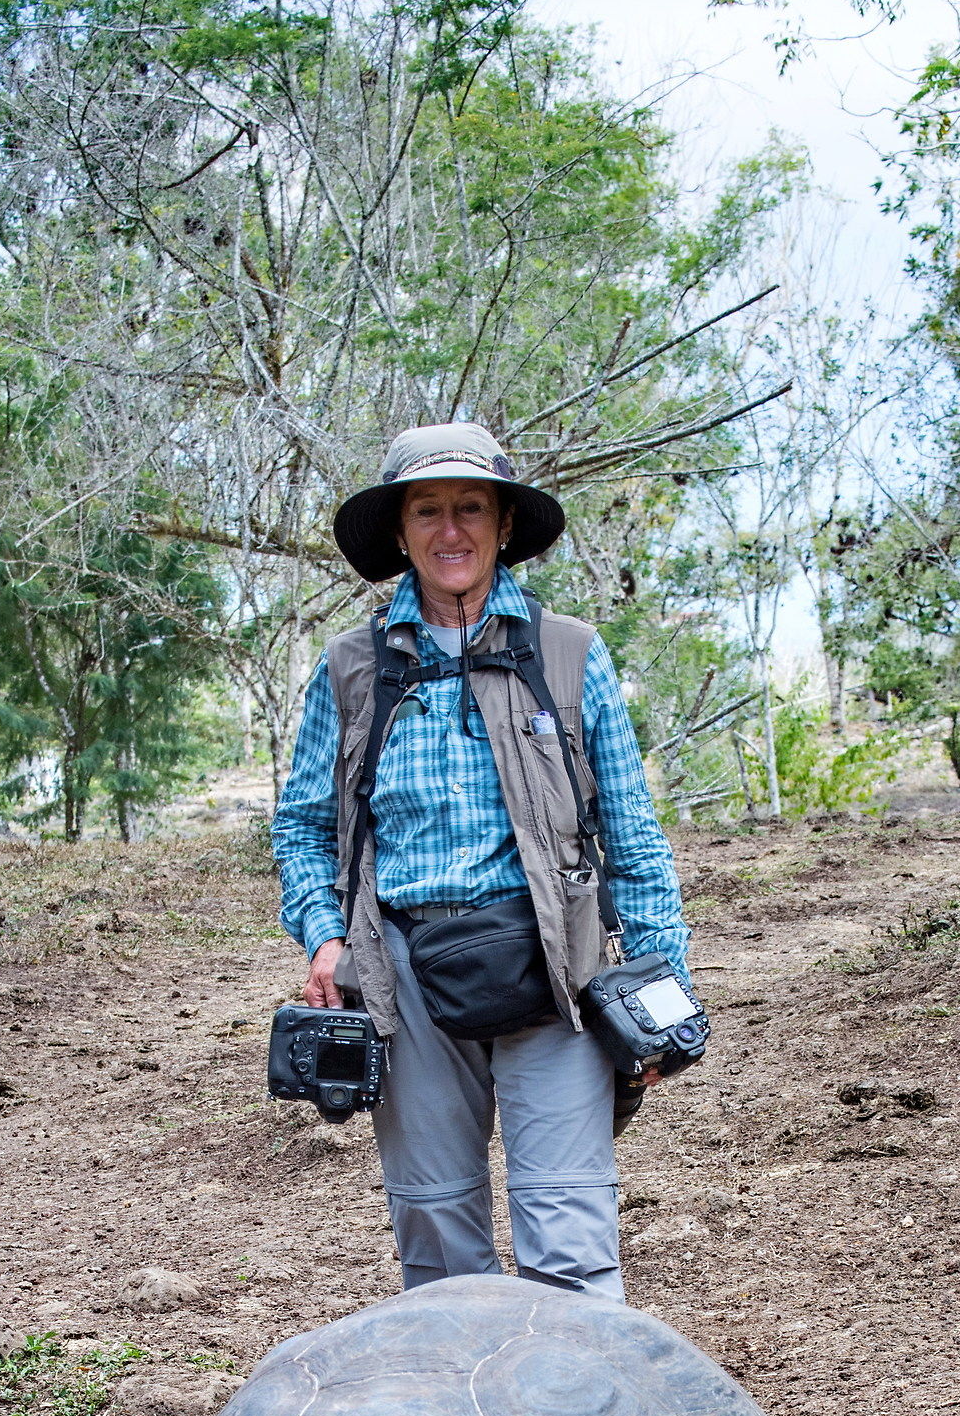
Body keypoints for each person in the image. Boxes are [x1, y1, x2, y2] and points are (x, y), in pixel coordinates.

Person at [271, 421, 696, 1299]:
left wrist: (663, 990)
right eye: (426, 510)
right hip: (404, 972)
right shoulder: (350, 668)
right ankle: (459, 1396)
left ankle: (578, 1393)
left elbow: (631, 829)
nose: (450, 530)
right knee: (436, 1240)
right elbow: (303, 826)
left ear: (504, 523)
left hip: (557, 968)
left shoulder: (567, 653)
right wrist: (323, 937)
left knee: (569, 1237)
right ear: (399, 533)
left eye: (470, 507)